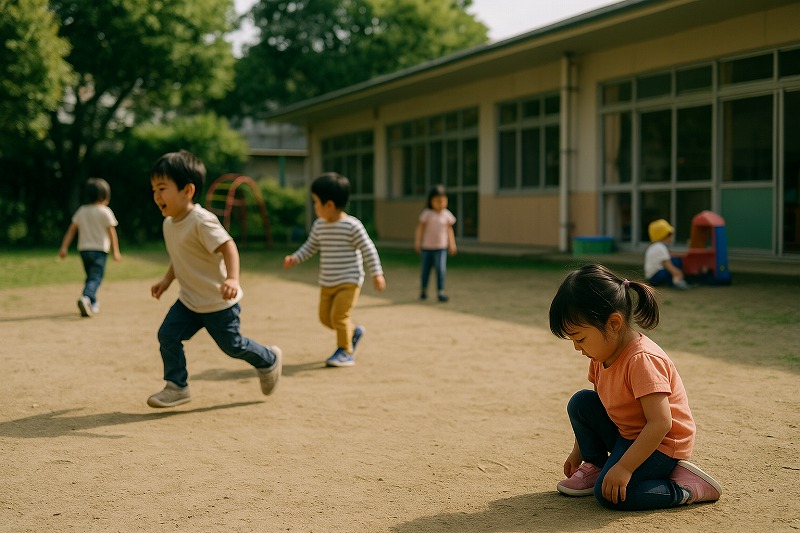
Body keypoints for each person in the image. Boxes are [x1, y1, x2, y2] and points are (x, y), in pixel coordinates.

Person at [548, 263, 721, 511]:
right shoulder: (600, 356)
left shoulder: (642, 360)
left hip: (661, 445)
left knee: (611, 495)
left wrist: (624, 467)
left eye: (580, 338)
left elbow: (661, 423)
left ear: (614, 323)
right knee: (581, 402)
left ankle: (684, 488)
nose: (577, 347)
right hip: (628, 435)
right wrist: (580, 451)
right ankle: (596, 468)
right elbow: (601, 406)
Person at [147, 150, 281, 408]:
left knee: (233, 346)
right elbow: (180, 256)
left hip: (219, 302)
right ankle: (177, 386)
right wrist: (166, 281)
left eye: (162, 188)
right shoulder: (169, 223)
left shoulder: (201, 220)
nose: (156, 195)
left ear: (187, 190)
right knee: (168, 336)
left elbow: (228, 246)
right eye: (154, 189)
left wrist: (232, 279)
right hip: (189, 302)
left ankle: (268, 359)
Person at [283, 172, 386, 368]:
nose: (314, 207)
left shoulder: (352, 226)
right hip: (327, 282)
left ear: (329, 205)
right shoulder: (319, 225)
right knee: (325, 319)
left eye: (316, 203)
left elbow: (368, 249)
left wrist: (377, 273)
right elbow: (310, 246)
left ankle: (345, 351)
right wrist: (295, 257)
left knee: (339, 317)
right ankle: (353, 332)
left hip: (349, 281)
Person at [58, 178, 122, 317]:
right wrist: (115, 251)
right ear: (104, 196)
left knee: (91, 277)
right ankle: (86, 297)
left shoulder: (82, 210)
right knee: (96, 278)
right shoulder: (105, 211)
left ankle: (92, 303)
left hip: (84, 250)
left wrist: (64, 247)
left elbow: (71, 230)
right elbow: (112, 233)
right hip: (99, 251)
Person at [414, 185, 457, 302]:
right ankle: (423, 290)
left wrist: (452, 244)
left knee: (441, 270)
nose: (440, 204)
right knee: (425, 271)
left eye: (443, 201)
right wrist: (418, 242)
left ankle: (440, 291)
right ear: (431, 201)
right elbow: (420, 228)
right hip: (427, 248)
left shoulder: (447, 214)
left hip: (441, 248)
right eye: (437, 201)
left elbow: (449, 230)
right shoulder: (427, 213)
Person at [644, 219, 688, 289]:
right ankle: (676, 281)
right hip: (656, 277)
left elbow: (670, 254)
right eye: (669, 234)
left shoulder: (654, 246)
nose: (671, 237)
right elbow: (668, 265)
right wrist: (678, 273)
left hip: (652, 277)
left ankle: (674, 280)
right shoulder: (660, 247)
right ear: (664, 235)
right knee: (676, 262)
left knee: (675, 259)